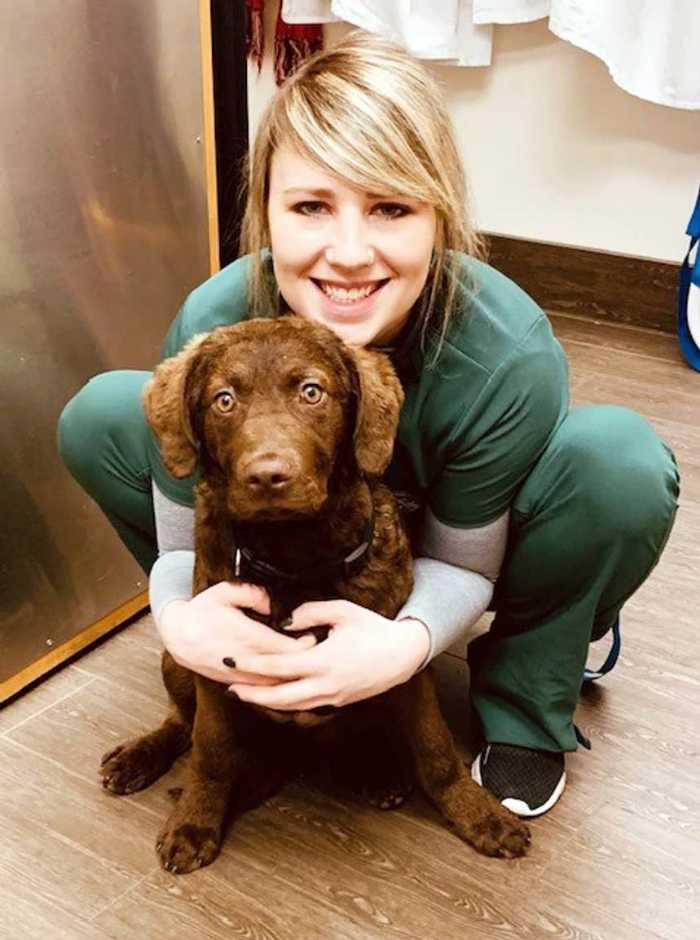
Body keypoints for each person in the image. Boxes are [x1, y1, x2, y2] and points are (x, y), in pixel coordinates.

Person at [58, 30, 679, 818]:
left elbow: (465, 564)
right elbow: (186, 538)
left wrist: (406, 644)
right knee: (103, 413)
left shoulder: (504, 349)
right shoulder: (216, 321)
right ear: (266, 216)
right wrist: (181, 616)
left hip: (441, 547)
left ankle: (527, 692)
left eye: (390, 208)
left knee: (617, 464)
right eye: (312, 206)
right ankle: (259, 624)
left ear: (439, 220)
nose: (348, 254)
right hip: (277, 538)